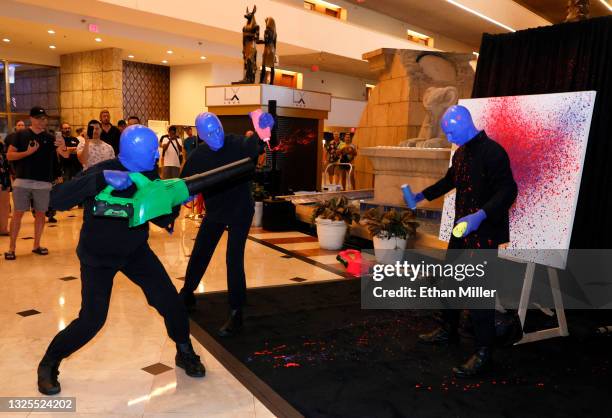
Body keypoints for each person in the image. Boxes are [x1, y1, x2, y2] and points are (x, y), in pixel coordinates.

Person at [37, 124, 205, 396]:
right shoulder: (101, 170)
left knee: (170, 302)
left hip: (135, 251)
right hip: (98, 255)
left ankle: (184, 351)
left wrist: (176, 203)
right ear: (134, 151)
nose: (156, 157)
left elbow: (159, 217)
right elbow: (55, 199)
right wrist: (101, 179)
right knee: (92, 319)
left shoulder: (150, 173)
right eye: (152, 152)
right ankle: (49, 362)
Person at [404, 105, 517, 378]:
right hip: (461, 230)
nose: (449, 137)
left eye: (451, 130)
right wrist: (419, 196)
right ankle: (447, 329)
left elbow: (509, 189)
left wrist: (481, 215)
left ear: (464, 122)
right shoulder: (461, 153)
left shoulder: (493, 152)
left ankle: (484, 352)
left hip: (484, 231)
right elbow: (448, 181)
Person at [179, 110, 270, 336]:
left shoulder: (237, 143)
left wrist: (264, 130)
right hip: (216, 210)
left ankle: (236, 312)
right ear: (200, 135)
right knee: (201, 251)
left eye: (218, 129)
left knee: (234, 257)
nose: (216, 135)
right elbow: (185, 187)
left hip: (240, 209)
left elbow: (258, 144)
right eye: (209, 132)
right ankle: (187, 293)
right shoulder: (198, 156)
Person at [4, 106, 69, 260]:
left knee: (40, 214)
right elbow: (9, 156)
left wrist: (62, 146)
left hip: (43, 183)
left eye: (44, 118)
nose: (42, 121)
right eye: (39, 118)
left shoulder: (51, 137)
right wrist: (27, 153)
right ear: (31, 119)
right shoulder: (20, 135)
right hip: (22, 181)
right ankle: (11, 248)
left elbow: (65, 155)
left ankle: (36, 245)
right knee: (18, 214)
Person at [0, 137, 11, 236]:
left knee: (4, 206)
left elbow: (7, 169)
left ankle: (3, 229)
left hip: (3, 182)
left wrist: (8, 184)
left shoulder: (4, 154)